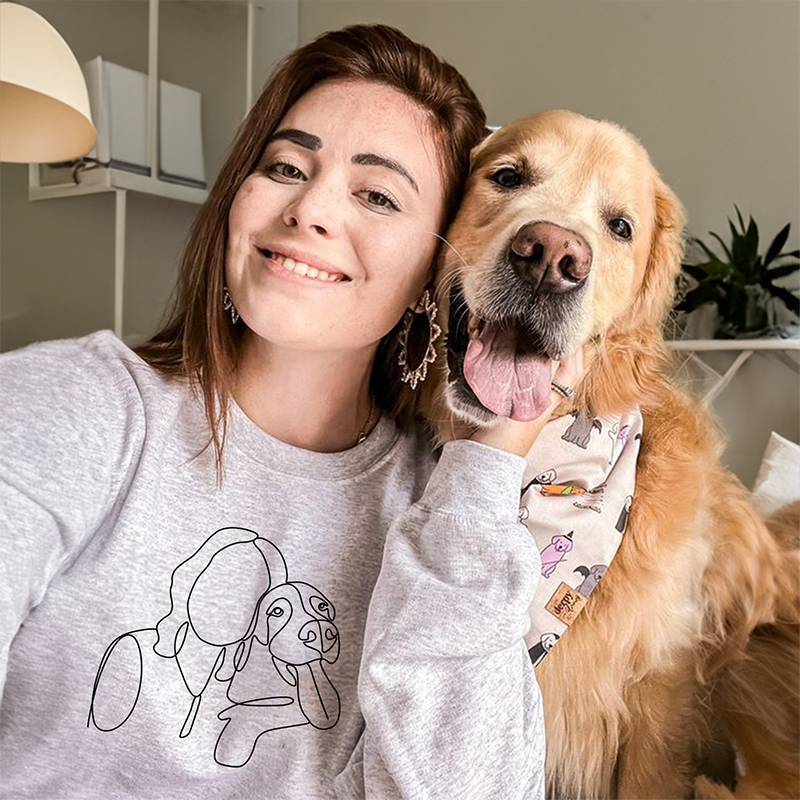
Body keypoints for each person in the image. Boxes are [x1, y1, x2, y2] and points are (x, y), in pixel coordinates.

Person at [0, 24, 581, 799]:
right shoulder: (75, 403)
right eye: (286, 167)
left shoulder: (439, 516)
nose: (310, 209)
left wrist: (485, 465)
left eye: (377, 195)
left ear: (433, 270)